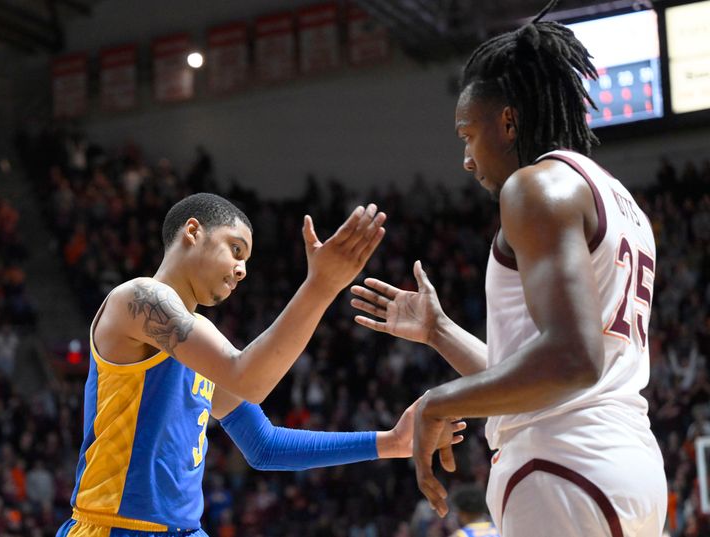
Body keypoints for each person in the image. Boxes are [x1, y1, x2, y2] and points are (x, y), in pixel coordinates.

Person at [350, 1, 667, 535]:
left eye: (468, 135)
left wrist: (436, 401)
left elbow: (572, 361)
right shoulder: (615, 198)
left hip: (562, 465)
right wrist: (440, 331)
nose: (467, 159)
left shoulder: (534, 186)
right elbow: (544, 372)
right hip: (624, 467)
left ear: (508, 122)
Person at [56, 193, 463, 537]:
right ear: (193, 232)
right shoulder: (139, 298)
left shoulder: (197, 338)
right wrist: (320, 287)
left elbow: (263, 445)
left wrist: (390, 441)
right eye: (235, 249)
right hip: (115, 526)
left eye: (246, 259)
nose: (242, 269)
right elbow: (247, 378)